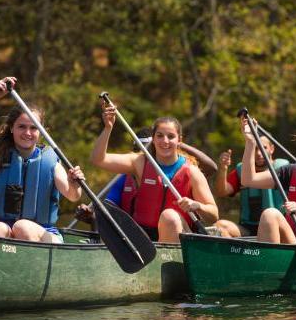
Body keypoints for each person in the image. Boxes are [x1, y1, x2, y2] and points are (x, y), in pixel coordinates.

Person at [0, 77, 86, 243]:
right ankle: (0, 267)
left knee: (23, 226)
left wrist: (75, 183)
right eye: (22, 126)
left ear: (41, 131)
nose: (28, 133)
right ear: (11, 128)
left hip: (46, 234)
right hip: (9, 231)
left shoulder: (50, 161)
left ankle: (31, 267)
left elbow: (73, 196)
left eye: (33, 128)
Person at [90, 102, 219, 243]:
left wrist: (197, 205)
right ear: (153, 138)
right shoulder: (139, 162)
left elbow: (213, 215)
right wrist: (108, 128)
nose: (165, 141)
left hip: (179, 239)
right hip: (144, 239)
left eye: (171, 136)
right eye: (160, 136)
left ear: (179, 140)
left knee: (169, 216)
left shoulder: (192, 172)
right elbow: (98, 159)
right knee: (111, 223)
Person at [213, 138, 289, 237]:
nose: (258, 153)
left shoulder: (285, 170)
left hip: (276, 227)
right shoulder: (242, 171)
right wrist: (223, 168)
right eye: (255, 149)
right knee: (220, 226)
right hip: (248, 228)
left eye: (263, 148)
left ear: (272, 149)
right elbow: (221, 192)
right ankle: (234, 252)